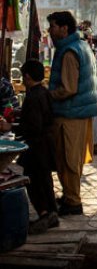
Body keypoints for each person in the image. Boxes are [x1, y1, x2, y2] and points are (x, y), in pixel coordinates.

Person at [47, 11, 97, 216]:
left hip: (70, 113)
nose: (50, 31)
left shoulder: (69, 52)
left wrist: (48, 95)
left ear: (64, 28)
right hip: (79, 112)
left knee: (67, 159)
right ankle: (70, 196)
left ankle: (72, 201)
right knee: (73, 158)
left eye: (52, 26)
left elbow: (68, 88)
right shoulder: (81, 46)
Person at [12, 60, 58, 234]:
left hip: (37, 146)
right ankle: (52, 212)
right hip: (46, 144)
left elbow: (33, 126)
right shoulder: (44, 92)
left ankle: (44, 213)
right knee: (45, 180)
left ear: (27, 77)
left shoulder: (33, 97)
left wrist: (13, 127)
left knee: (33, 180)